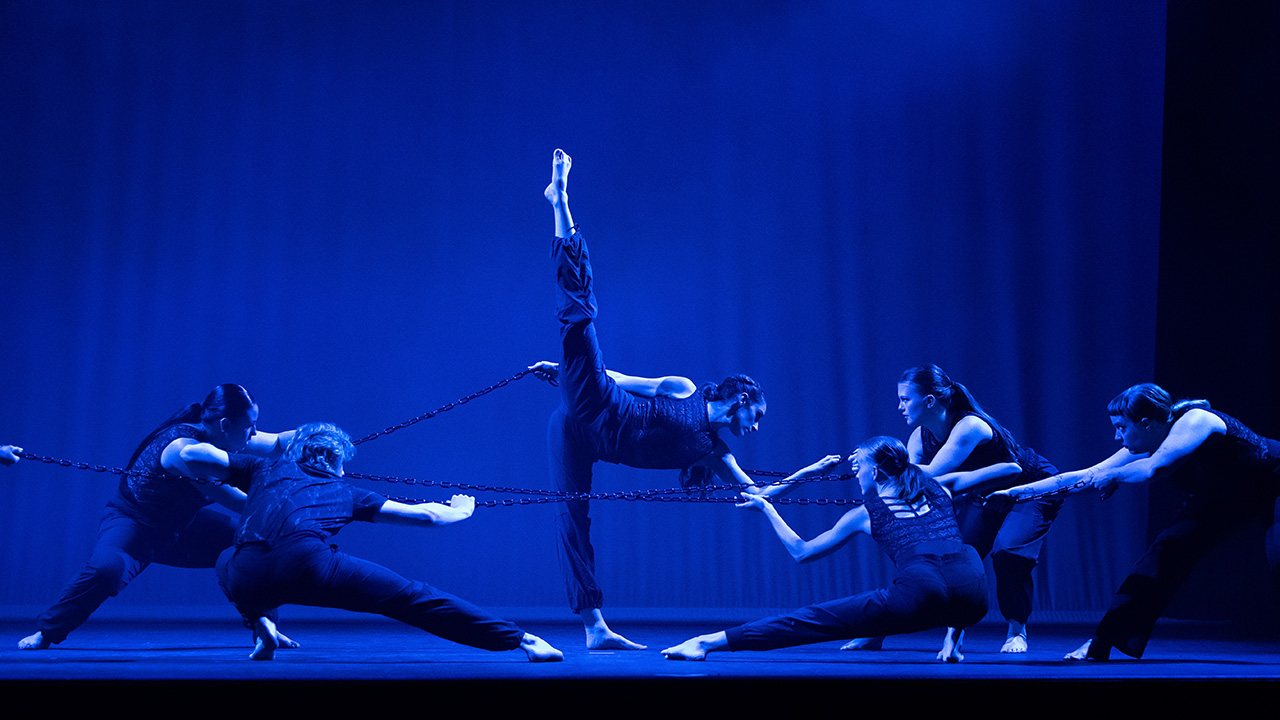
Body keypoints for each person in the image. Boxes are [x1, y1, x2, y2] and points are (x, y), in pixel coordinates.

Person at [538, 148, 770, 650]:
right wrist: (564, 374)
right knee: (579, 319)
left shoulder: (714, 452)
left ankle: (595, 629)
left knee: (574, 519)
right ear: (742, 397)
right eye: (758, 414)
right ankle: (561, 204)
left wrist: (811, 473)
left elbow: (757, 495)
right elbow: (626, 378)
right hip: (597, 404)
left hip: (587, 441)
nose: (757, 425)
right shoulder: (684, 389)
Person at [206, 422, 562, 662]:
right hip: (307, 565)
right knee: (411, 597)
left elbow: (194, 457)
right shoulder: (348, 492)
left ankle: (260, 624)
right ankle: (523, 640)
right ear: (333, 459)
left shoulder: (261, 469)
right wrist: (462, 510)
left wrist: (179, 447)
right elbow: (426, 516)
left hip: (245, 577)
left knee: (225, 558)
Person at [988, 383, 1280, 660]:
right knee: (1164, 554)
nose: (1118, 437)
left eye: (1121, 427)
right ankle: (1102, 641)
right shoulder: (1148, 441)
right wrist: (1015, 494)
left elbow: (1156, 468)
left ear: (1146, 424)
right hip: (1224, 497)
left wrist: (1115, 475)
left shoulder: (1197, 420)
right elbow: (1086, 476)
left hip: (1274, 481)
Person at [661, 436, 1001, 662]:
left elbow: (802, 552)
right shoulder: (940, 487)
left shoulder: (864, 514)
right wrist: (1004, 495)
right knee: (959, 555)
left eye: (858, 469)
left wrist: (768, 509)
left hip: (921, 592)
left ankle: (705, 642)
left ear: (876, 471)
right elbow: (1010, 468)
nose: (856, 476)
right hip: (975, 597)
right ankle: (949, 640)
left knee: (814, 620)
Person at [19, 384, 296, 650]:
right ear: (225, 425)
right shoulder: (185, 451)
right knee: (107, 571)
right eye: (250, 426)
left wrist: (315, 438)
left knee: (256, 547)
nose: (254, 433)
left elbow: (277, 444)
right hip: (135, 525)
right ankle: (47, 631)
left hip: (183, 527)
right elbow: (240, 502)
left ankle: (265, 628)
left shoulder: (230, 435)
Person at [843, 365, 1058, 655]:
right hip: (983, 494)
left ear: (930, 401)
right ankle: (882, 629)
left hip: (1030, 488)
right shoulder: (919, 437)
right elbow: (910, 484)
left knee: (1009, 552)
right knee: (946, 556)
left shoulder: (970, 426)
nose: (900, 407)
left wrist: (878, 463)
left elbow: (931, 474)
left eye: (905, 399)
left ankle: (1016, 631)